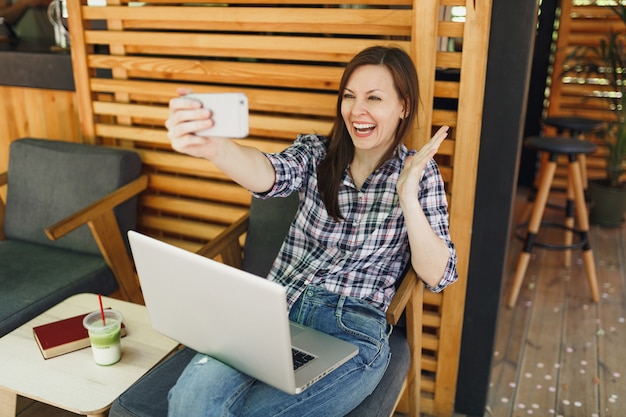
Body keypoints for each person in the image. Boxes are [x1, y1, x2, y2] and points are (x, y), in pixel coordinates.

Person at [165, 45, 458, 417]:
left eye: (374, 98)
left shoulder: (421, 174)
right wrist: (218, 150)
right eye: (349, 96)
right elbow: (269, 174)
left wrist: (407, 194)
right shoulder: (315, 153)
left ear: (403, 106)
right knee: (190, 403)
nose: (357, 110)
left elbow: (436, 274)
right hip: (270, 314)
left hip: (350, 329)